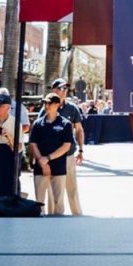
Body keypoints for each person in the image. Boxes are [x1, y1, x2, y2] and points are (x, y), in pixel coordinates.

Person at [27, 94, 73, 215]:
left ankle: (59, 229)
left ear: (57, 105)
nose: (46, 106)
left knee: (58, 201)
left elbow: (66, 146)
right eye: (45, 103)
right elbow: (33, 144)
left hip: (58, 168)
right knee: (39, 202)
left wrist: (47, 158)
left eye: (49, 103)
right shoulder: (37, 124)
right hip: (40, 168)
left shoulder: (66, 124)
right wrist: (42, 162)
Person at [48, 78, 87, 215]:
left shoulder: (72, 108)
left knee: (72, 187)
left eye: (66, 89)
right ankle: (53, 215)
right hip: (52, 155)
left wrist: (81, 150)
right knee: (53, 188)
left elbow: (79, 129)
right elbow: (39, 127)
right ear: (54, 90)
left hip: (69, 154)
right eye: (61, 88)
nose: (64, 91)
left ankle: (77, 215)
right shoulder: (47, 107)